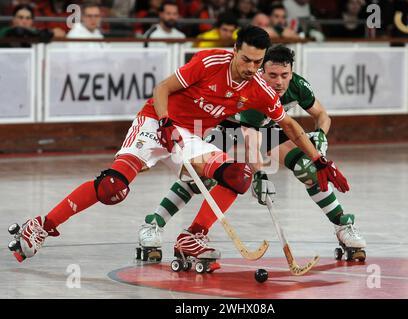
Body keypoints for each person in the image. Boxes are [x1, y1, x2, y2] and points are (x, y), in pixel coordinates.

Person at [9, 26, 348, 265]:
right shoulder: (208, 62)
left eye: (258, 62)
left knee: (238, 176)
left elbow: (288, 124)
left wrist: (320, 160)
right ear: (235, 50)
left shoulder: (257, 87)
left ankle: (192, 237)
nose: (252, 68)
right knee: (113, 187)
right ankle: (40, 225)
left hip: (190, 134)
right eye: (246, 60)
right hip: (157, 122)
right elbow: (161, 89)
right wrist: (167, 122)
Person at [139, 45, 364, 263]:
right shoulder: (255, 88)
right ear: (261, 72)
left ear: (291, 72)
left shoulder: (297, 86)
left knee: (308, 168)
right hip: (225, 125)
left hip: (267, 129)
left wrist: (320, 137)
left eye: (284, 75)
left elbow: (322, 115)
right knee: (200, 176)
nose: (278, 82)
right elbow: (250, 138)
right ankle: (154, 223)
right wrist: (260, 174)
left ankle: (343, 226)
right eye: (272, 75)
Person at [0, 4, 65, 47]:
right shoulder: (5, 31)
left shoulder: (35, 30)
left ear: (32, 21)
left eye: (28, 18)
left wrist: (49, 32)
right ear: (14, 19)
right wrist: (37, 35)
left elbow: (61, 33)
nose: (24, 21)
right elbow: (18, 31)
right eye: (20, 17)